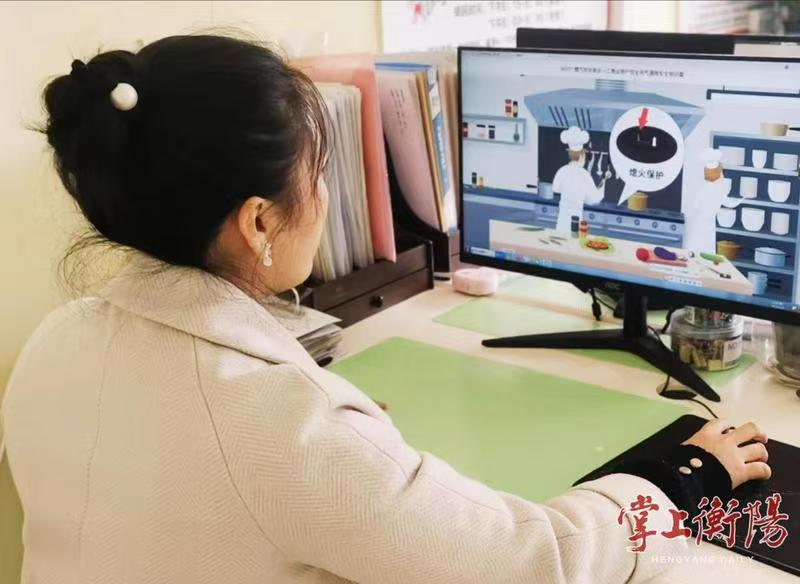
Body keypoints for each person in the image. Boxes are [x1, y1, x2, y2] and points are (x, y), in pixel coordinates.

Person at [0, 35, 772, 584]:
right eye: (318, 172)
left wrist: (331, 434)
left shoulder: (55, 341)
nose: (324, 195)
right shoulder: (279, 424)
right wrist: (684, 476)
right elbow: (535, 563)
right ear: (259, 221)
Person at [552, 126, 611, 233]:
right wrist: (604, 182)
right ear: (582, 156)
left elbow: (555, 188)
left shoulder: (562, 171)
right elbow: (594, 200)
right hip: (575, 221)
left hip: (561, 221)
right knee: (573, 239)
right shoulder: (584, 175)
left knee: (561, 240)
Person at [684, 148, 740, 254]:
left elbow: (695, 205)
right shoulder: (712, 189)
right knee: (703, 247)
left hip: (702, 223)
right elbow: (729, 203)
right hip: (703, 223)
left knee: (700, 248)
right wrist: (742, 199)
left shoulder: (705, 188)